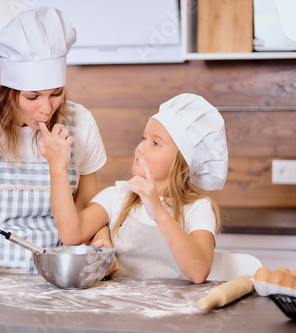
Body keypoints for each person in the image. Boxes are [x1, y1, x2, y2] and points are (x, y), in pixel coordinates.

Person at [0, 7, 107, 278]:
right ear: (10, 92)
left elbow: (86, 208)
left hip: (58, 282)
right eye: (32, 97)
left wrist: (100, 238)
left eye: (56, 93)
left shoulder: (80, 123)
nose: (46, 109)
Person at [39, 93, 228, 283]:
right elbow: (72, 234)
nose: (140, 148)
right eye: (144, 138)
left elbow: (199, 272)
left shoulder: (199, 208)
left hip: (175, 309)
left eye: (155, 143)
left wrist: (159, 212)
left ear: (184, 164)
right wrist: (58, 167)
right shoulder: (117, 196)